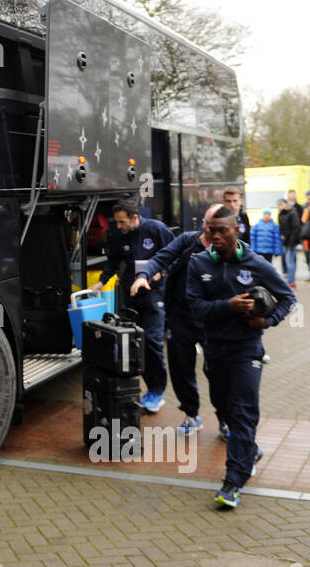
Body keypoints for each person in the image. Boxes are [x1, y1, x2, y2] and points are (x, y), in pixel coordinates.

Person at [186, 205, 296, 510]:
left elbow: (288, 298)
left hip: (247, 350)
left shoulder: (256, 263)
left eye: (222, 230)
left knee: (242, 412)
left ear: (237, 230)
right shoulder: (197, 264)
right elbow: (194, 308)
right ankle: (249, 449)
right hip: (214, 349)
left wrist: (267, 321)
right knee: (222, 406)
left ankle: (234, 481)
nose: (215, 235)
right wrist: (228, 306)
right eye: (210, 229)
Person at [130, 205, 222, 437]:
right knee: (181, 369)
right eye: (205, 222)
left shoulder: (231, 249)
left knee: (218, 371)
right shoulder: (187, 241)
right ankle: (191, 414)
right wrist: (144, 275)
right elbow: (161, 257)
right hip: (181, 316)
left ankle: (226, 418)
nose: (206, 228)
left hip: (213, 319)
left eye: (212, 225)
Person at [93, 198, 175, 412]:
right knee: (132, 342)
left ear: (134, 217)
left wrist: (160, 272)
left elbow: (176, 256)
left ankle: (157, 391)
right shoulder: (121, 236)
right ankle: (141, 389)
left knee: (152, 341)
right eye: (117, 223)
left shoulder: (157, 230)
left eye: (122, 222)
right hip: (131, 296)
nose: (119, 227)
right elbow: (113, 261)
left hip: (154, 294)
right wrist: (101, 282)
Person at [277, 193, 303, 287]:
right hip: (284, 241)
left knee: (290, 261)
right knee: (286, 261)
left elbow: (296, 228)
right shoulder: (281, 214)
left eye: (282, 204)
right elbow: (281, 228)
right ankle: (289, 279)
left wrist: (292, 242)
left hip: (291, 242)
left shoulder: (293, 212)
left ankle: (291, 281)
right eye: (279, 205)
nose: (280, 206)